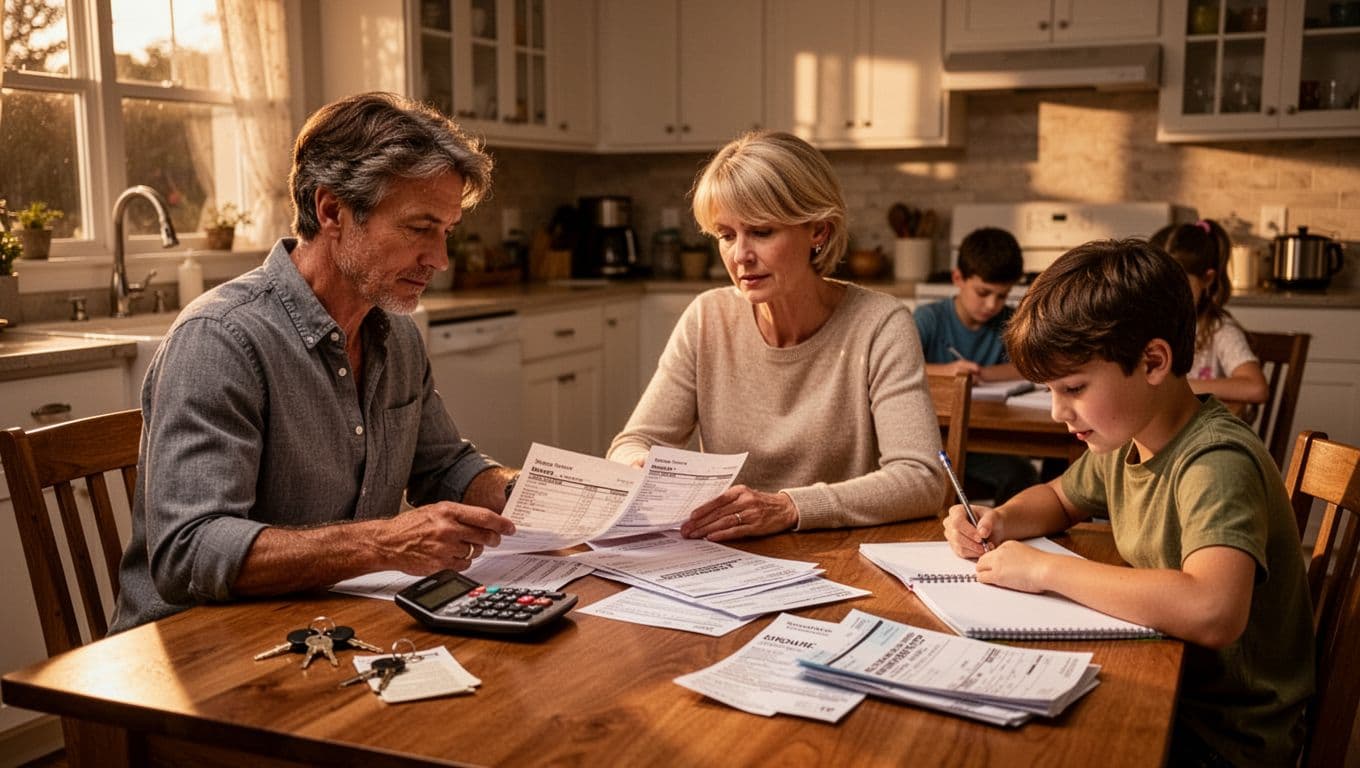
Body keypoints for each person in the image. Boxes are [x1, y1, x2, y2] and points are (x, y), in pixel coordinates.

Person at [111, 92, 517, 632]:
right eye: (420, 229)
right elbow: (189, 551)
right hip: (197, 648)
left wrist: (533, 491)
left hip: (327, 624)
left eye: (446, 232)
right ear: (332, 212)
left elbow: (442, 468)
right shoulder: (220, 339)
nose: (439, 259)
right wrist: (383, 543)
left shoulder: (394, 332)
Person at [943, 239, 1314, 767]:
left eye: (1073, 387)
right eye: (1049, 391)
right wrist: (999, 519)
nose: (1057, 412)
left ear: (1153, 361)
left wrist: (1045, 570)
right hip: (1173, 684)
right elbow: (1058, 498)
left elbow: (1213, 610)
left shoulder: (1215, 461)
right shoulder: (1129, 438)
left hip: (1224, 737)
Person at [607, 130, 948, 541]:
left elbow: (921, 479)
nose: (740, 256)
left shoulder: (881, 324)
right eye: (726, 235)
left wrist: (788, 507)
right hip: (725, 556)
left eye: (762, 232)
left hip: (839, 556)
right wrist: (636, 465)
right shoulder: (707, 317)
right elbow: (634, 441)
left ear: (818, 231)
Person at [914, 226, 1037, 503]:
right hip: (938, 440)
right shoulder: (929, 319)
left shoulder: (1011, 322)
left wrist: (983, 374)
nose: (992, 304)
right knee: (1020, 474)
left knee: (1029, 473)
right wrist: (948, 373)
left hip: (991, 437)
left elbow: (1031, 367)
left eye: (1002, 296)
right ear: (958, 278)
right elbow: (895, 368)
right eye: (983, 292)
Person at [1151, 219, 1268, 412]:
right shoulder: (1151, 326)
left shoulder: (1220, 331)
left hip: (1203, 428)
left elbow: (1256, 387)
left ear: (1207, 279)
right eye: (1158, 284)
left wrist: (1182, 387)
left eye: (1179, 284)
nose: (1167, 295)